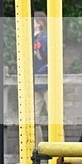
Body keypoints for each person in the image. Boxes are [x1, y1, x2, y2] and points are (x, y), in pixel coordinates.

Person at [33, 11, 48, 142]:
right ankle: (37, 148)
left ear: (38, 23)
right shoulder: (31, 39)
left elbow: (50, 61)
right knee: (33, 118)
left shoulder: (44, 38)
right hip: (35, 83)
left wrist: (39, 74)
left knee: (53, 115)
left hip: (45, 82)